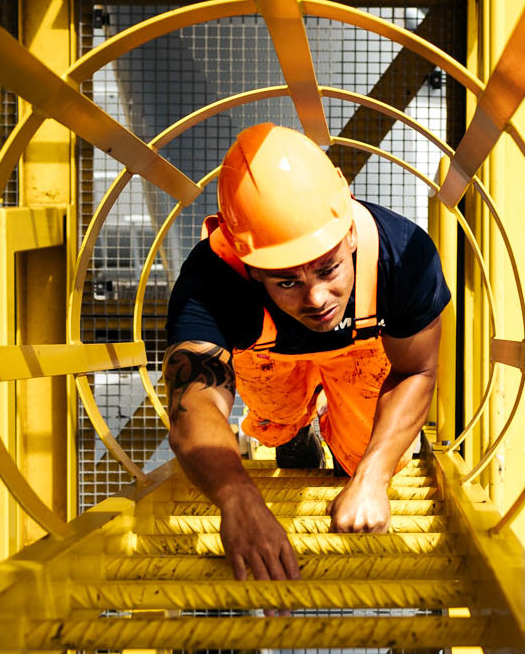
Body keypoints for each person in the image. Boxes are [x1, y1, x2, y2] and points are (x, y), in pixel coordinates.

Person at [162, 123, 450, 581]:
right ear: (251, 268)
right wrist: (238, 498)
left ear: (350, 232)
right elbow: (193, 400)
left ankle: (350, 462)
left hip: (362, 353)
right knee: (275, 419)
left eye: (328, 267)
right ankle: (294, 433)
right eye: (287, 281)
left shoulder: (404, 256)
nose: (316, 298)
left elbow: (416, 370)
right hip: (269, 357)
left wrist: (372, 478)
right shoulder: (212, 279)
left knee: (362, 457)